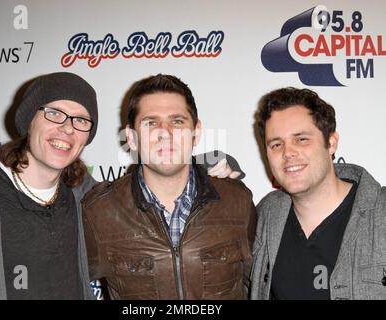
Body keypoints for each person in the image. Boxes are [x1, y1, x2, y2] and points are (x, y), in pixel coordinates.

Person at [82, 74, 257, 300]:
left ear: (196, 132)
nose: (165, 133)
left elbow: (261, 284)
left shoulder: (237, 201)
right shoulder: (99, 212)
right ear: (131, 138)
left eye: (177, 121)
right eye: (151, 123)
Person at [0, 72, 98, 299]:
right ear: (29, 121)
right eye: (54, 113)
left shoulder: (84, 194)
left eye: (80, 120)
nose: (68, 128)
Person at [250, 87, 386, 300]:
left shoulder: (381, 213)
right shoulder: (265, 215)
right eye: (276, 144)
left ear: (331, 143)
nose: (288, 152)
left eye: (301, 139)